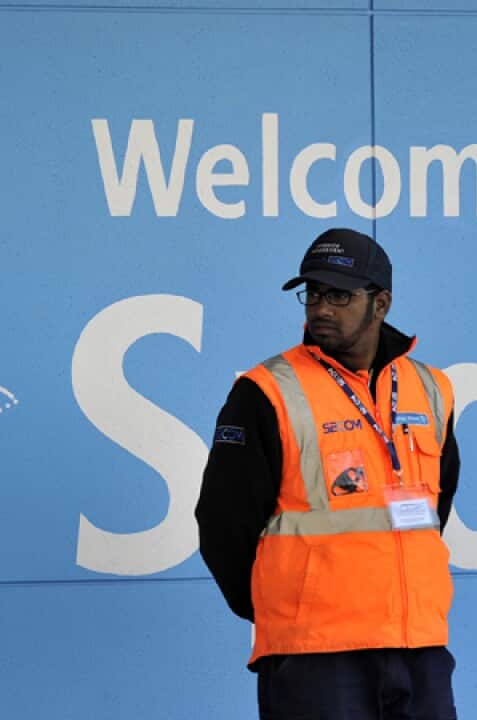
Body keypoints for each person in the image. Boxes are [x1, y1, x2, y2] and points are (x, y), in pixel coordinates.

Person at [196, 228, 461, 720]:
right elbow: (221, 523)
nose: (320, 308)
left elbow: (435, 510)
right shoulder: (266, 391)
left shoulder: (432, 388)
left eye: (338, 295)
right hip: (314, 656)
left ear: (380, 303)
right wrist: (283, 611)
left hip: (418, 646)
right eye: (312, 294)